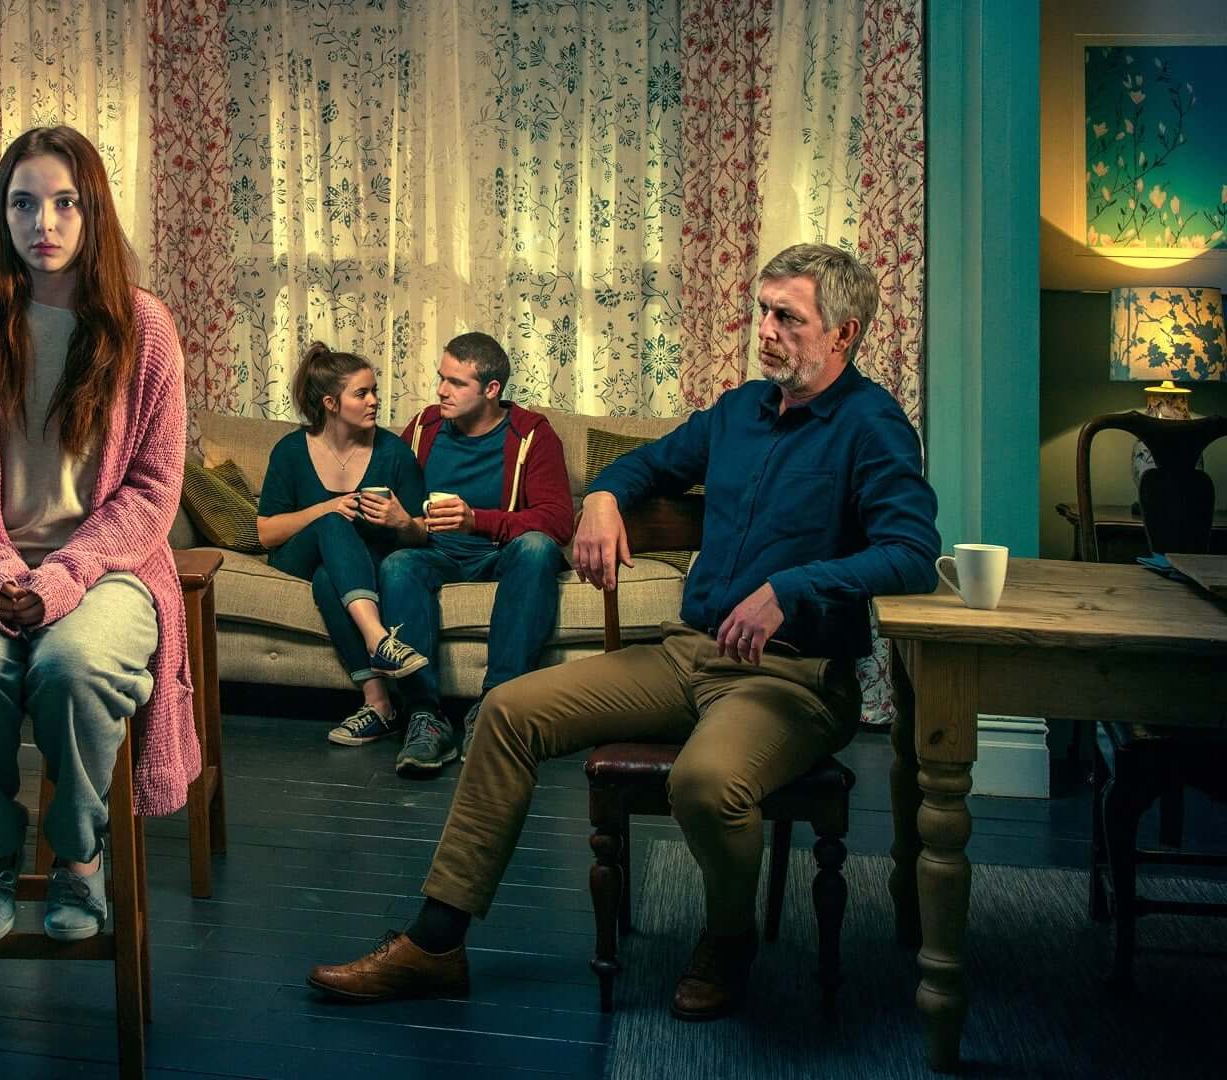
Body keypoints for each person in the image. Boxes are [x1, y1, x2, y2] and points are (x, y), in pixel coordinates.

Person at [307, 244, 940, 1022]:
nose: (766, 330)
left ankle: (729, 940)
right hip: (686, 655)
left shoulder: (873, 425)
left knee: (705, 782)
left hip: (794, 678)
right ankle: (435, 946)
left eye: (788, 317)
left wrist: (793, 587)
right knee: (507, 712)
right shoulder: (740, 411)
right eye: (762, 311)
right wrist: (603, 498)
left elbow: (912, 554)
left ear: (843, 334)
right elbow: (642, 468)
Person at [0, 125, 196, 944]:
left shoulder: (143, 327)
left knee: (74, 667)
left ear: (93, 212)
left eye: (64, 203)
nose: (44, 223)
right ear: (2, 214)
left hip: (107, 568)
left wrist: (66, 575)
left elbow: (154, 488)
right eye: (23, 204)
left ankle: (79, 857)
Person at [378, 332, 574, 777]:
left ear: (491, 389)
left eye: (456, 382)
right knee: (397, 565)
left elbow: (558, 522)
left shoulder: (531, 433)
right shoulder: (425, 427)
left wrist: (476, 521)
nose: (441, 390)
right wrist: (400, 518)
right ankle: (424, 716)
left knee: (538, 548)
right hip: (435, 550)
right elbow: (395, 489)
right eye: (441, 378)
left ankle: (494, 707)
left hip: (498, 553)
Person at [256, 342, 428, 744]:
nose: (374, 401)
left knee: (326, 579)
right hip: (297, 555)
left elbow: (422, 532)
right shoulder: (290, 451)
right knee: (332, 522)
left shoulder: (393, 453)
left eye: (375, 392)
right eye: (361, 393)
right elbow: (266, 532)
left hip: (362, 563)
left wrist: (402, 521)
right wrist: (326, 508)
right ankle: (378, 639)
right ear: (331, 403)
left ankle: (380, 705)